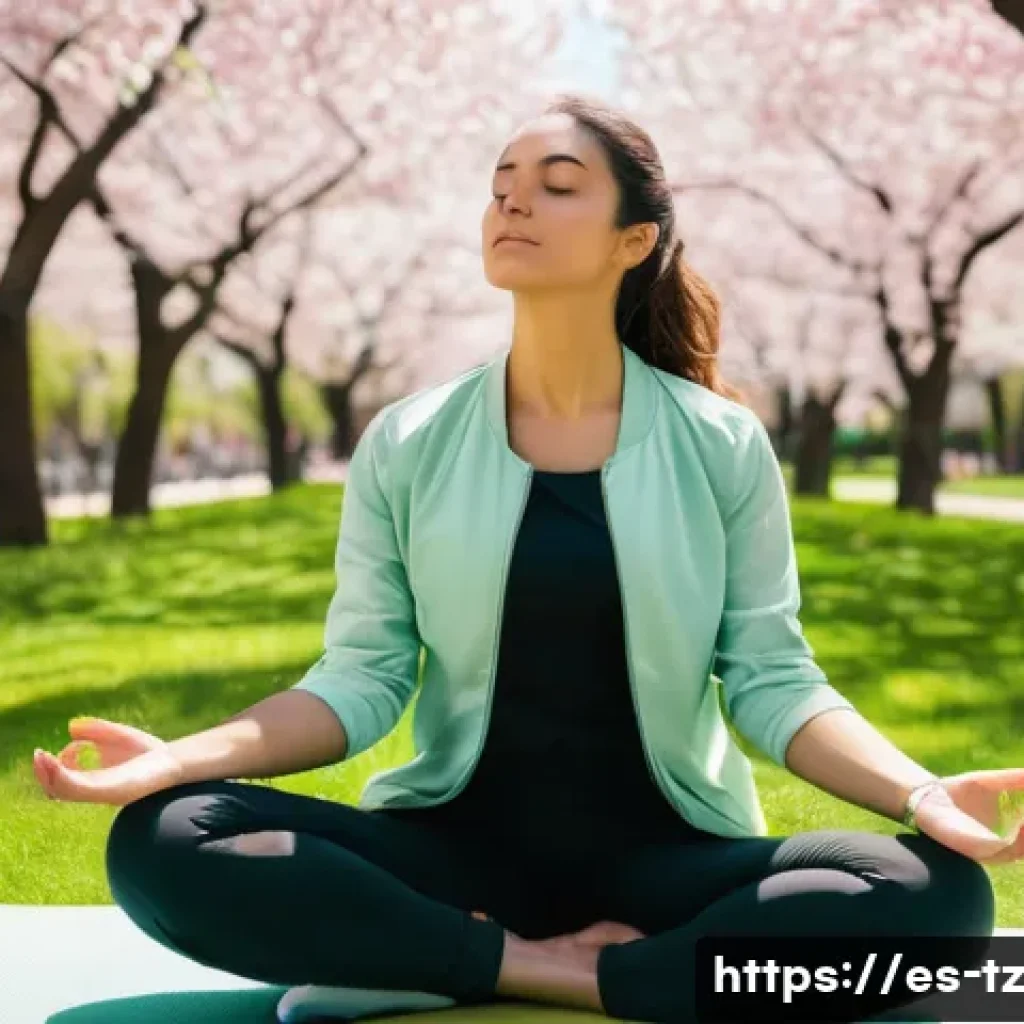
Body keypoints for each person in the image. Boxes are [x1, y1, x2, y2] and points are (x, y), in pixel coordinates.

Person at [32, 94, 1021, 1024]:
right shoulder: (409, 438)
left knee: (932, 897)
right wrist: (175, 759)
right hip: (451, 852)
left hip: (669, 860)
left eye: (556, 182)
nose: (511, 198)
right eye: (502, 179)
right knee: (165, 837)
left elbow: (771, 679)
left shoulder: (718, 442)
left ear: (633, 240)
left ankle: (457, 963)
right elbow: (360, 679)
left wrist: (918, 791)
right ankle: (549, 963)